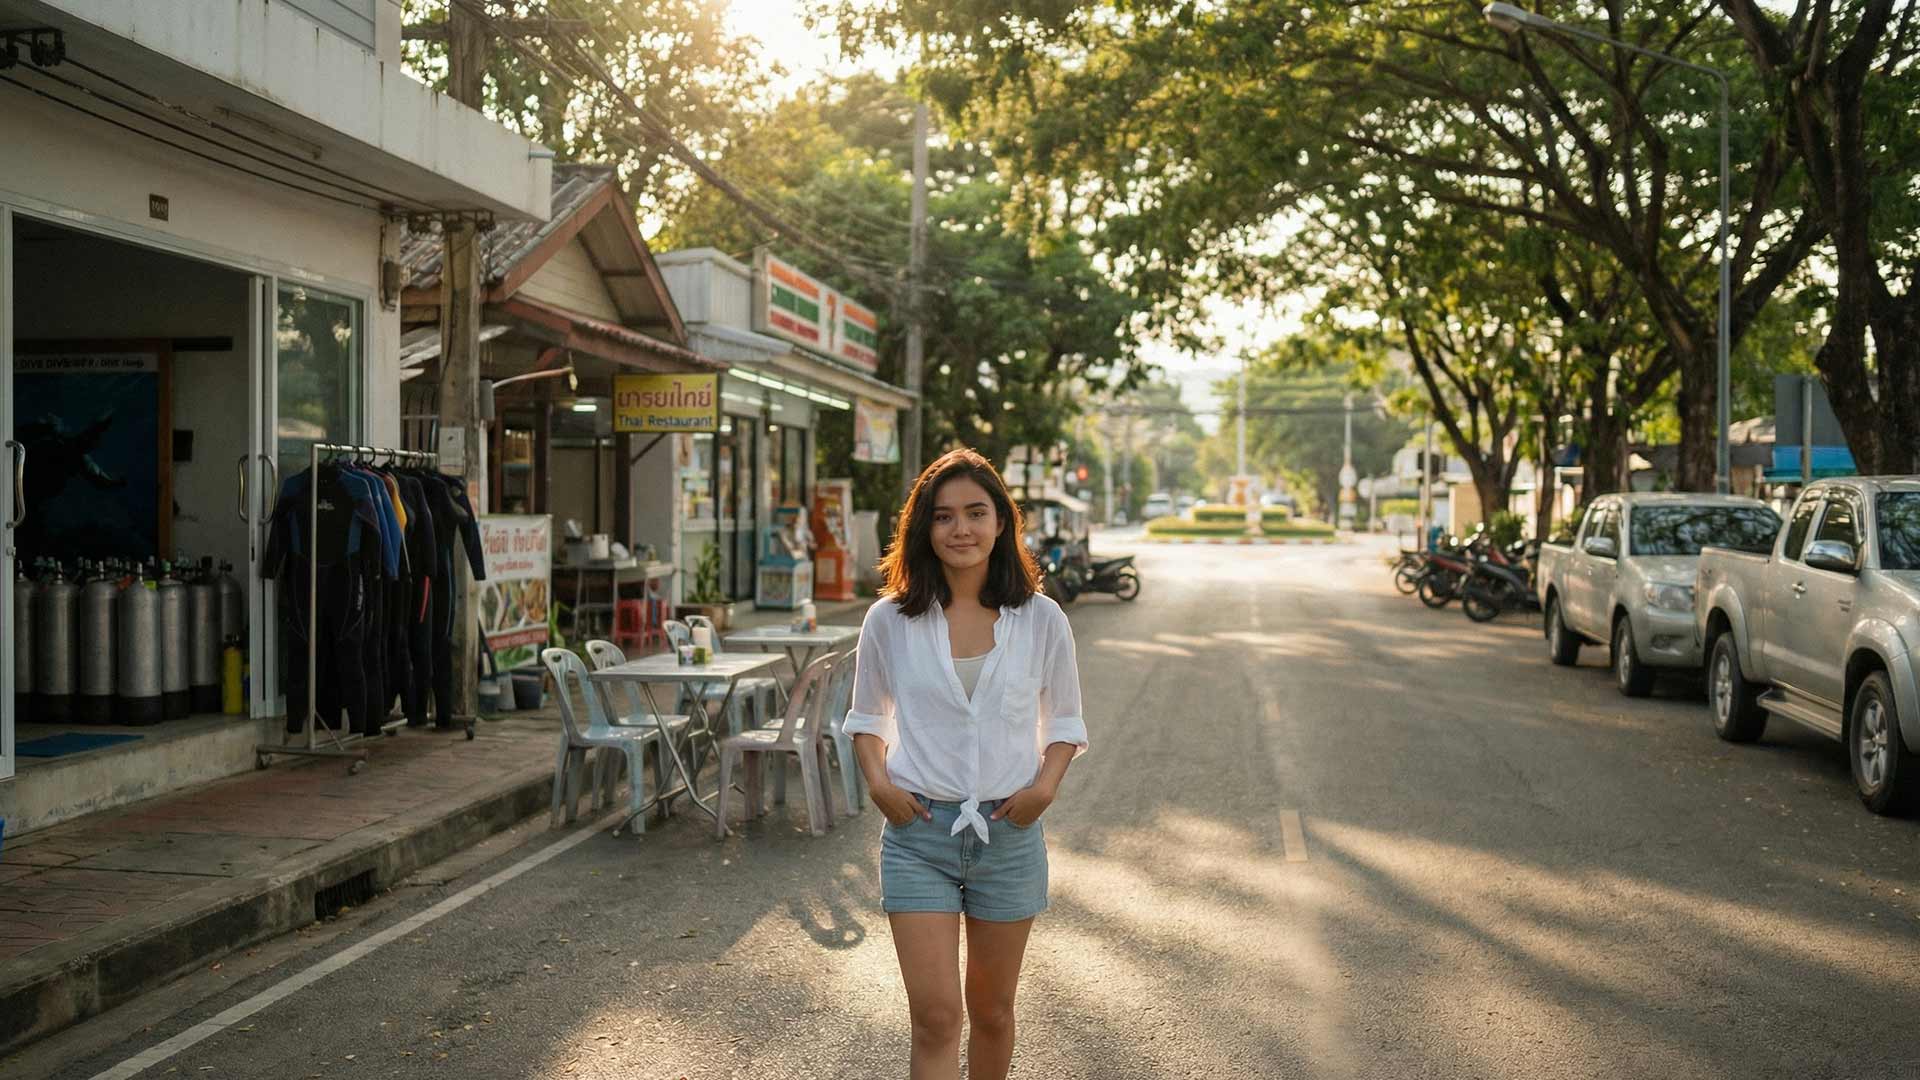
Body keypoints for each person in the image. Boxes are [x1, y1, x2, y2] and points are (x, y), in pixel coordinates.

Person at [845, 447, 1089, 1080]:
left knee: (993, 1014)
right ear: (923, 528)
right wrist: (878, 784)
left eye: (976, 513)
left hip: (1009, 835)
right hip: (917, 834)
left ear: (1001, 522)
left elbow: (1063, 722)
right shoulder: (889, 621)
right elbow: (867, 718)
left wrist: (1044, 790)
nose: (961, 530)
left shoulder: (1041, 620)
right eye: (944, 516)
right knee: (934, 1018)